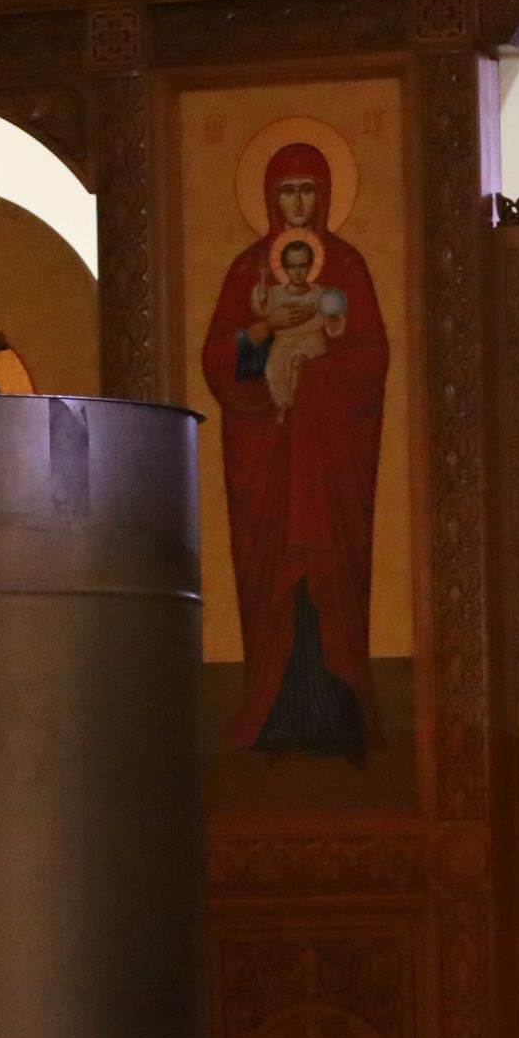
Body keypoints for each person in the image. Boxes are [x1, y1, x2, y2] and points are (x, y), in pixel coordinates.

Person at [200, 141, 390, 760]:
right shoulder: (248, 272)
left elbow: (372, 359)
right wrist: (266, 331)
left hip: (329, 459)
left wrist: (318, 364)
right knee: (273, 578)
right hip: (268, 454)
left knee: (326, 574)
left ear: (326, 193)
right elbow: (219, 363)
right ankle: (272, 712)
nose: (299, 201)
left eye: (309, 188)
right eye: (288, 189)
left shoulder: (349, 268)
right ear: (269, 196)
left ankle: (338, 712)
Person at [249, 230, 348, 412]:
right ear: (285, 268)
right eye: (292, 266)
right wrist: (262, 279)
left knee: (297, 361)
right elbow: (262, 305)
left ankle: (291, 403)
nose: (297, 272)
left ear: (310, 267)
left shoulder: (320, 294)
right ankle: (282, 404)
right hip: (283, 344)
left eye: (302, 265)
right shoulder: (276, 293)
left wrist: (333, 318)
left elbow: (332, 323)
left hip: (311, 340)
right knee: (273, 370)